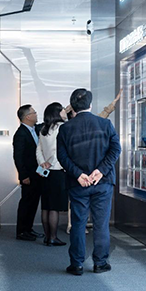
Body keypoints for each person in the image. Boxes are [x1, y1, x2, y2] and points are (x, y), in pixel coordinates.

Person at [57, 88, 121, 276]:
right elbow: (115, 150)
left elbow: (62, 156)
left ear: (72, 107)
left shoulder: (65, 128)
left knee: (78, 224)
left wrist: (78, 174)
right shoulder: (105, 124)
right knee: (101, 224)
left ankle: (76, 264)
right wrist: (101, 171)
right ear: (90, 105)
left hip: (78, 184)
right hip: (103, 183)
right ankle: (100, 263)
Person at [36, 103, 68, 247]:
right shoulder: (62, 127)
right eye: (62, 110)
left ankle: (47, 236)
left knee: (46, 206)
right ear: (57, 112)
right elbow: (59, 150)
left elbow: (39, 149)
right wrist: (51, 162)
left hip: (45, 172)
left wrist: (43, 163)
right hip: (57, 170)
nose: (64, 112)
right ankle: (53, 237)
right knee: (54, 207)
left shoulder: (44, 128)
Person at [13, 105, 44, 241]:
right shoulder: (21, 134)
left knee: (33, 202)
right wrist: (23, 175)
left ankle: (28, 229)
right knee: (26, 202)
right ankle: (21, 231)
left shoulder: (35, 129)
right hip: (28, 175)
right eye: (34, 112)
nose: (36, 114)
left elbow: (47, 123)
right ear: (28, 117)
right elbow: (18, 157)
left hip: (37, 174)